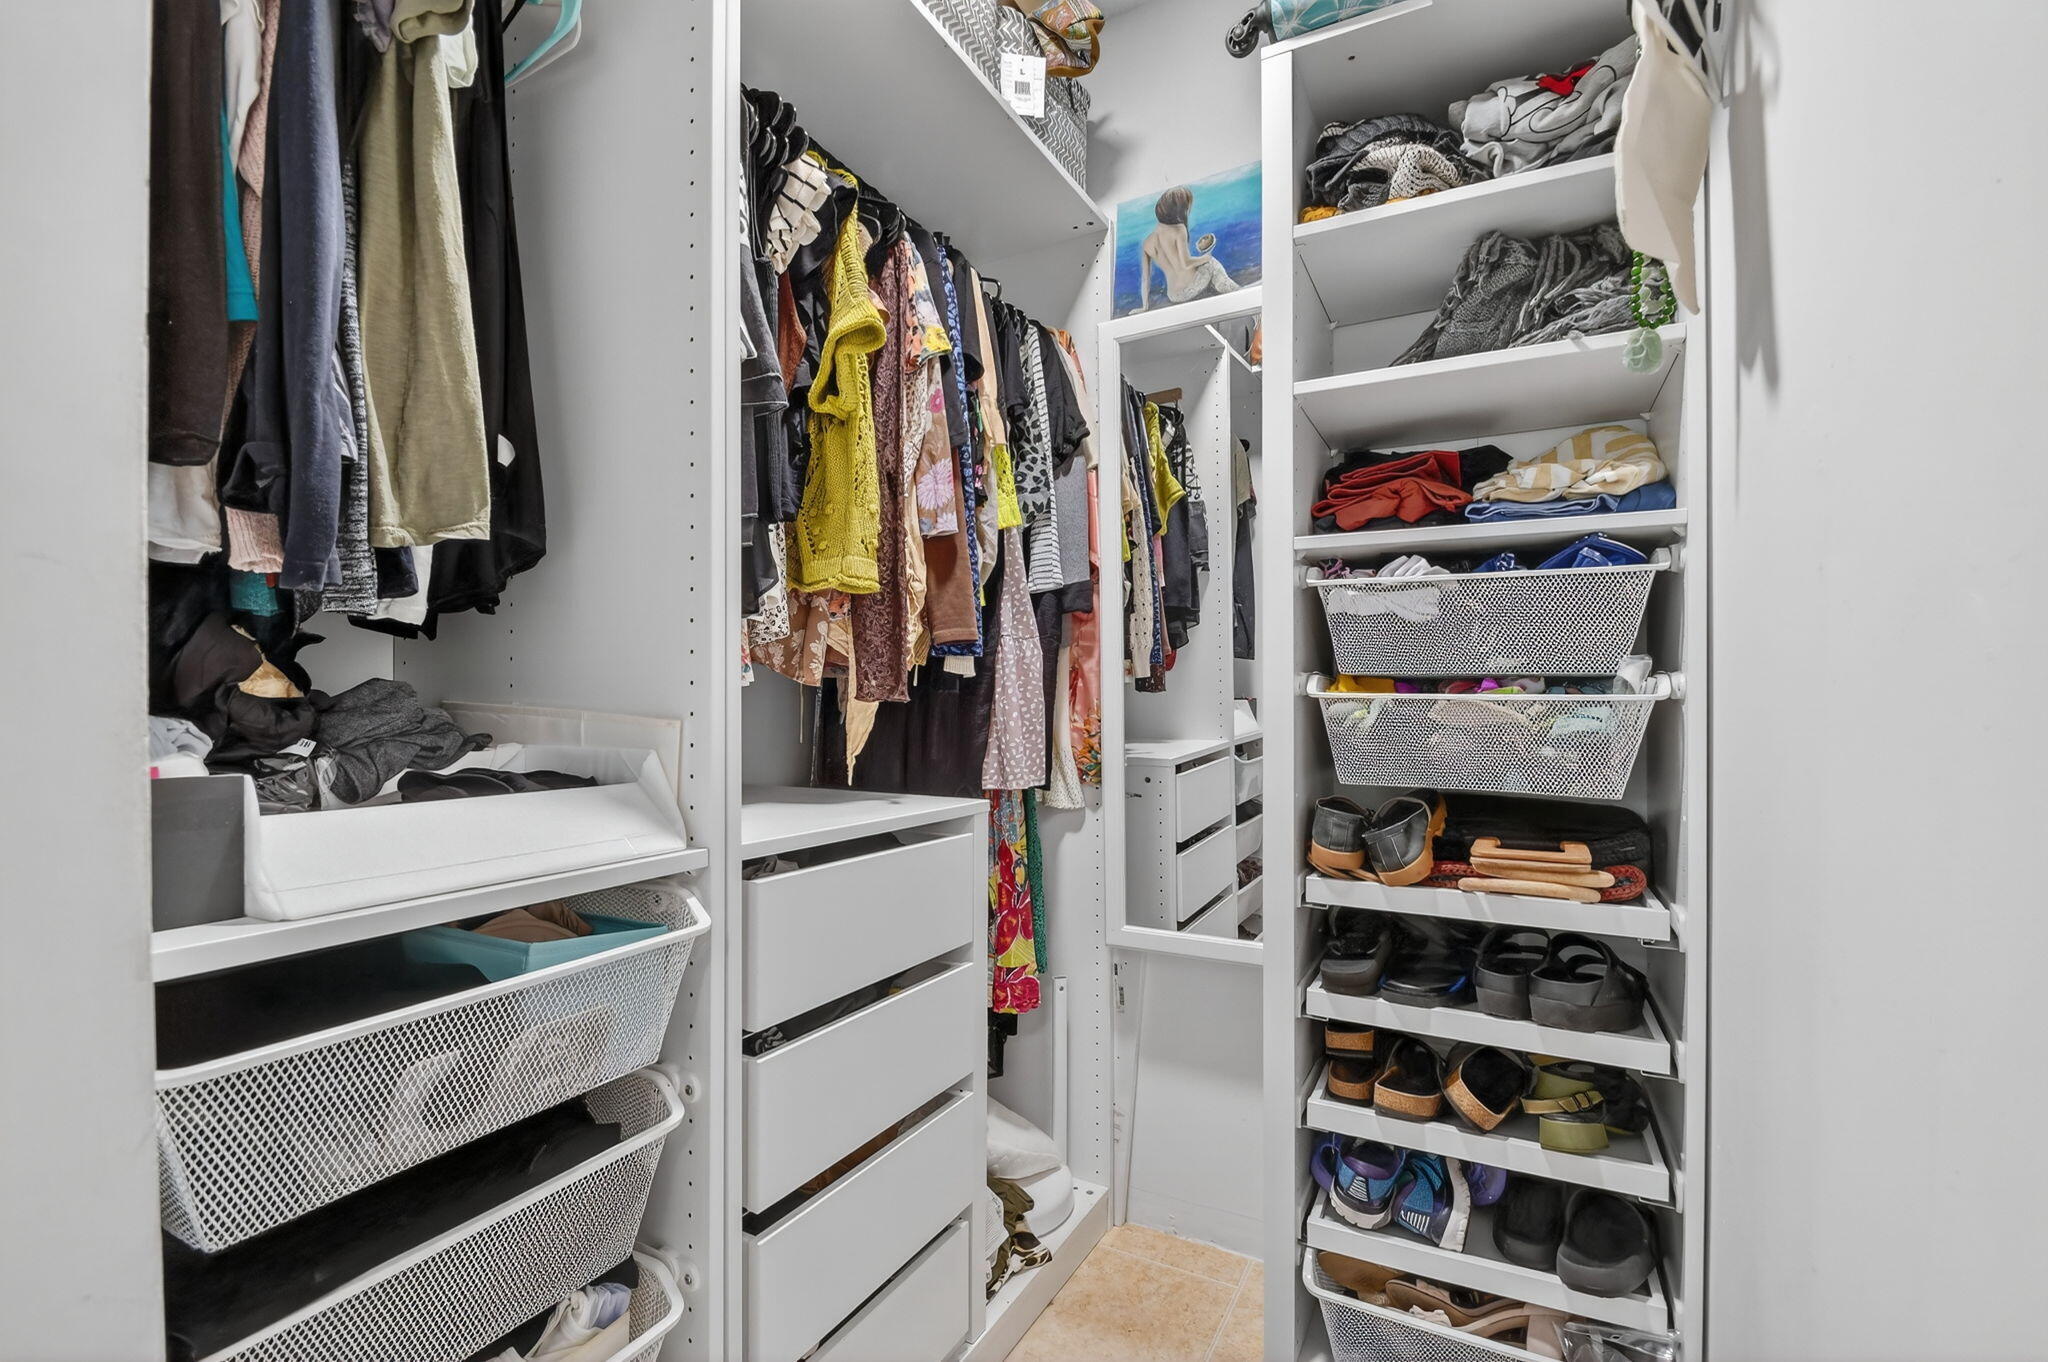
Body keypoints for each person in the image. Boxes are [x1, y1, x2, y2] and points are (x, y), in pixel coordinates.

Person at [1140, 186, 1240, 308]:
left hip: (1174, 295)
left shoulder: (1146, 243)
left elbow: (1145, 279)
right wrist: (1205, 258)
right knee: (1211, 263)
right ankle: (1237, 292)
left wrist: (1144, 307)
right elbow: (1185, 263)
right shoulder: (1179, 229)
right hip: (1192, 285)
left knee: (1204, 265)